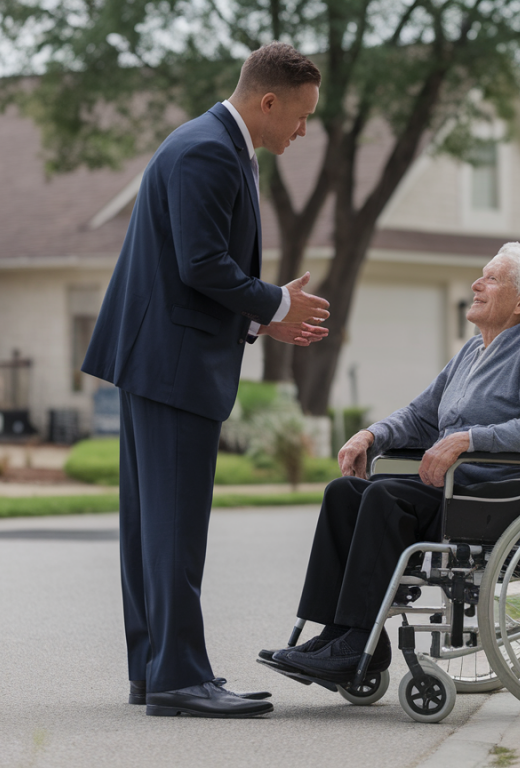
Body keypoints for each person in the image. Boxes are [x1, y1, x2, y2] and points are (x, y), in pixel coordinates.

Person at [82, 42, 330, 718]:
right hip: (173, 366)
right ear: (268, 101)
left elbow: (191, 272)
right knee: (174, 529)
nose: (303, 130)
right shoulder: (208, 151)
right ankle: (179, 678)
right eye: (301, 115)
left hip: (161, 358)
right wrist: (275, 305)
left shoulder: (211, 143)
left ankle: (155, 670)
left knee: (153, 527)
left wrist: (262, 319)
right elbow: (202, 264)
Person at [259, 242, 520, 683]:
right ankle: (338, 634)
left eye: (491, 278)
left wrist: (468, 439)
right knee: (344, 492)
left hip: (494, 496)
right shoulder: (472, 351)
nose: (476, 284)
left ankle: (356, 641)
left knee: (386, 496)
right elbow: (421, 416)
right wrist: (370, 435)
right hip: (451, 492)